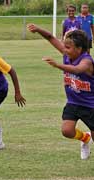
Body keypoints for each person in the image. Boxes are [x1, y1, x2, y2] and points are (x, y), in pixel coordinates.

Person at [27, 23, 94, 160]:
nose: (65, 49)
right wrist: (38, 29)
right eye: (65, 46)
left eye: (68, 47)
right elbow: (50, 37)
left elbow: (77, 70)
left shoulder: (86, 61)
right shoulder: (67, 54)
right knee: (66, 131)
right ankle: (85, 138)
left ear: (79, 49)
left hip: (90, 105)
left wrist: (58, 65)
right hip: (73, 102)